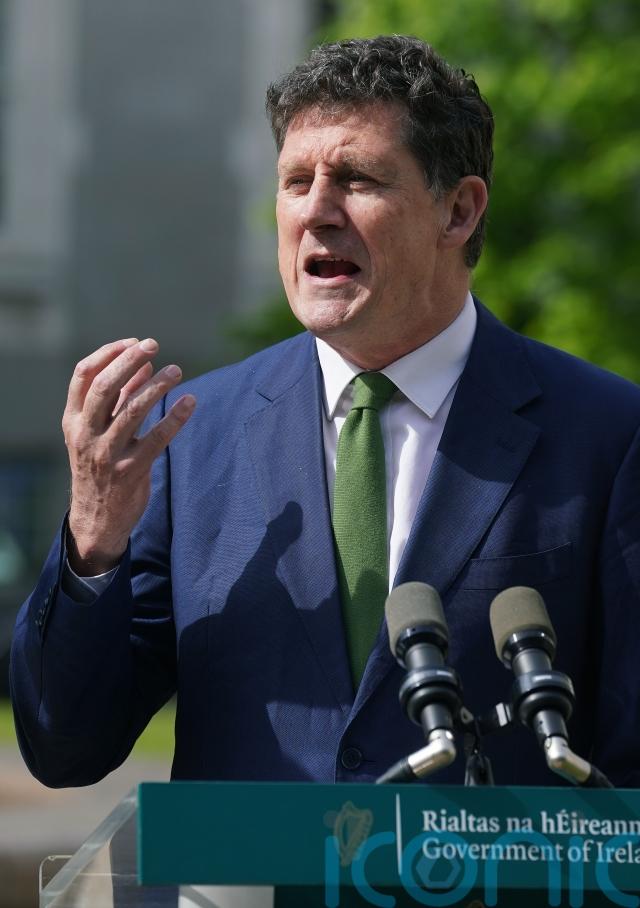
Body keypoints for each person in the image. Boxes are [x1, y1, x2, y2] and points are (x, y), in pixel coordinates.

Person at [10, 36, 640, 789]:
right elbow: (66, 745)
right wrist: (93, 536)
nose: (315, 211)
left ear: (459, 210)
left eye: (356, 178)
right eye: (295, 181)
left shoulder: (606, 435)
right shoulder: (191, 437)